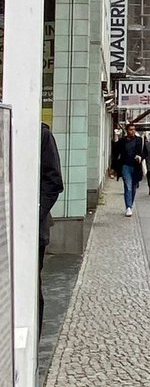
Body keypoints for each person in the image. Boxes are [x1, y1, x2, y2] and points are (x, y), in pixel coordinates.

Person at [39, 123, 64, 337]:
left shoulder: (40, 134)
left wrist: (32, 216)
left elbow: (54, 181)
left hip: (32, 230)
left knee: (29, 287)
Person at [114, 123, 144, 217]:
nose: (133, 131)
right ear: (127, 131)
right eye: (131, 129)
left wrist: (140, 157)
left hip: (136, 167)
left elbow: (145, 152)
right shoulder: (122, 141)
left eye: (134, 129)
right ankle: (129, 207)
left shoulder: (139, 140)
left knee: (134, 187)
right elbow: (116, 154)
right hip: (125, 166)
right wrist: (113, 168)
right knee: (128, 186)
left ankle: (130, 204)